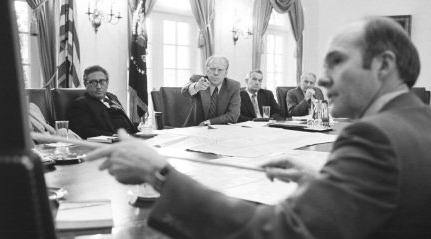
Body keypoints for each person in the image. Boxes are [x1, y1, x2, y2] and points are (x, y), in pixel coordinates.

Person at [86, 17, 431, 239]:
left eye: (337, 62)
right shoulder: (419, 122)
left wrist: (159, 173)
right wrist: (327, 187)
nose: (323, 78)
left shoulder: (372, 137)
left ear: (385, 65)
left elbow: (273, 234)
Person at [68, 65, 138, 139]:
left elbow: (123, 121)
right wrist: (113, 136)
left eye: (102, 81)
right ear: (86, 84)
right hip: (110, 143)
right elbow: (84, 131)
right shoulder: (80, 104)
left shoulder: (112, 97)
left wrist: (141, 127)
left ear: (107, 83)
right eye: (93, 82)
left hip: (130, 138)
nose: (98, 86)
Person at [181, 55, 241, 127]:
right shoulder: (198, 80)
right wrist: (197, 86)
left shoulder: (233, 86)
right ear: (207, 70)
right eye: (212, 69)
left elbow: (233, 116)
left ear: (226, 73)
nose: (216, 73)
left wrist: (208, 122)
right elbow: (184, 92)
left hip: (220, 130)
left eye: (220, 70)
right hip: (195, 128)